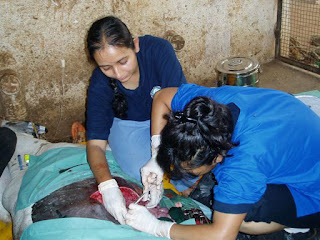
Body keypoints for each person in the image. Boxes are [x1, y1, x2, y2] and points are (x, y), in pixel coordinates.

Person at [126, 84, 320, 239]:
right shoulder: (205, 109)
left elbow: (222, 235)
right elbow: (161, 97)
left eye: (192, 171)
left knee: (244, 219)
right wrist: (156, 155)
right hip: (292, 133)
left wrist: (159, 228)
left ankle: (298, 223)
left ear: (218, 158)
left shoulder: (242, 165)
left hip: (312, 190)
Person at [85, 16, 186, 224]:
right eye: (106, 68)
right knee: (139, 172)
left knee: (191, 152)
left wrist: (159, 153)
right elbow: (95, 144)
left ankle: (190, 186)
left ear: (135, 44)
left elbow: (178, 104)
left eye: (123, 61)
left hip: (170, 117)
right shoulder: (99, 85)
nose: (118, 73)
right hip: (129, 125)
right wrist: (107, 186)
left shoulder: (158, 51)